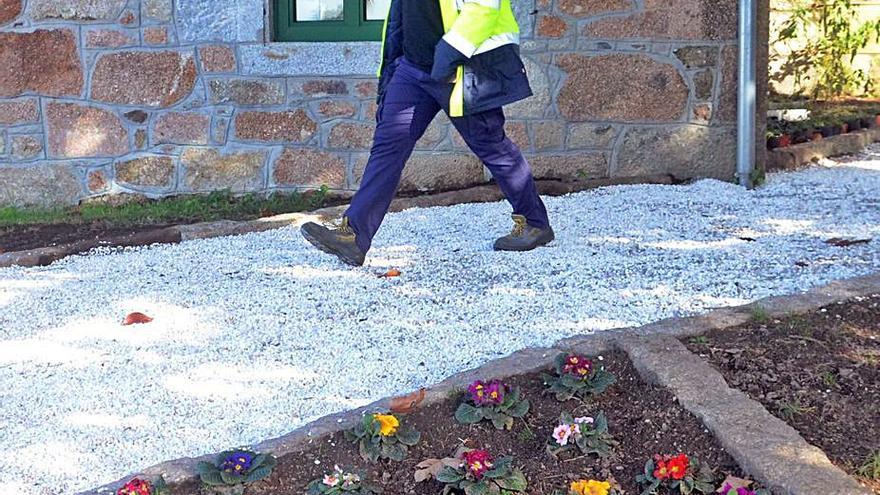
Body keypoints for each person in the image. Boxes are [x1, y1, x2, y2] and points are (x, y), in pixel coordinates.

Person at [301, 0, 554, 266]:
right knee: (388, 147)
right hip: (412, 68)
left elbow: (485, 5)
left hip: (461, 65)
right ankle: (353, 236)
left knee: (492, 146)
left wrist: (449, 53)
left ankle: (535, 224)